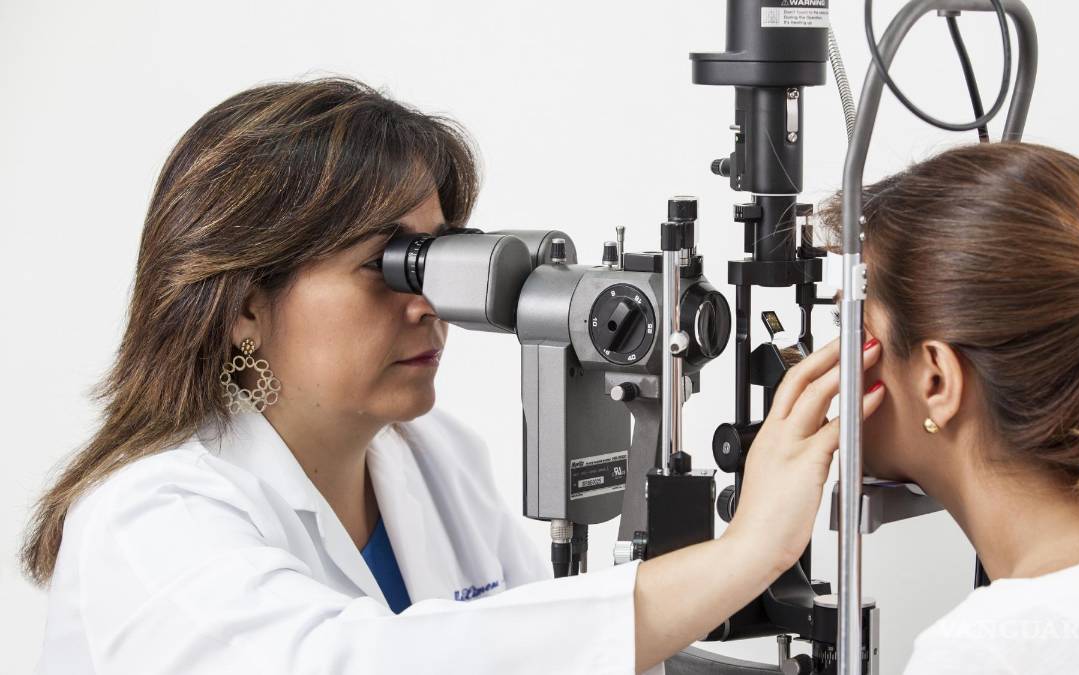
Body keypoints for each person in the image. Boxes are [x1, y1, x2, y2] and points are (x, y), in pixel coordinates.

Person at [21, 78, 886, 674]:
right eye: (388, 264)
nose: (428, 301)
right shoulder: (147, 522)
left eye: (436, 258)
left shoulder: (431, 456)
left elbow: (542, 650)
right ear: (246, 302)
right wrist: (745, 553)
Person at [817, 142, 1079, 674]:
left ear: (936, 380)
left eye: (850, 327)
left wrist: (750, 547)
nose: (832, 362)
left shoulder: (989, 653)